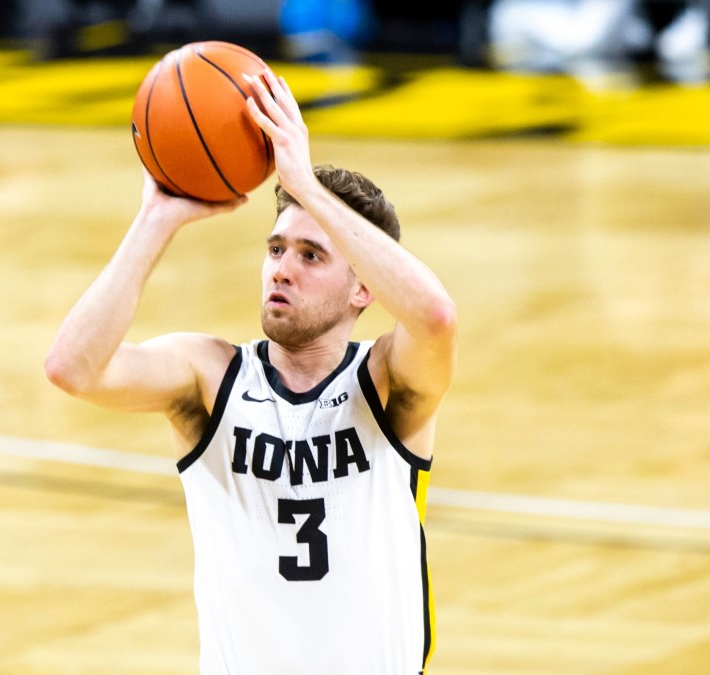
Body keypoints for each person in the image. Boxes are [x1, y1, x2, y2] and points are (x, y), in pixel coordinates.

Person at [45, 70, 457, 675]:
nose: (282, 269)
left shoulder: (387, 382)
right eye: (276, 248)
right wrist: (155, 218)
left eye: (311, 255)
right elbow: (72, 368)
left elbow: (437, 317)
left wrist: (306, 185)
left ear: (363, 288)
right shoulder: (210, 377)